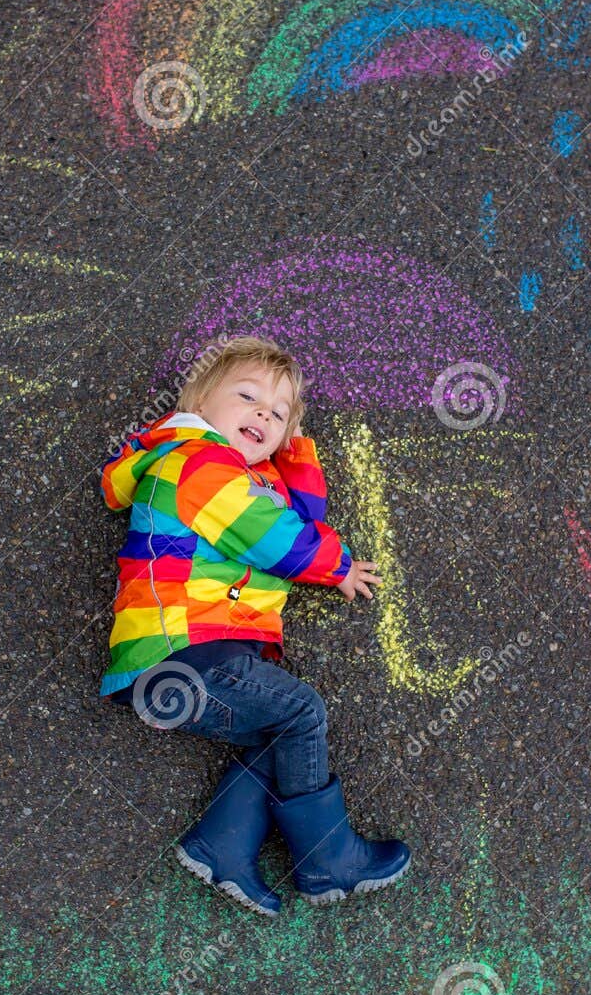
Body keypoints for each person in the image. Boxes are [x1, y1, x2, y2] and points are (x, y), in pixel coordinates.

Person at [98, 335, 409, 915]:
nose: (263, 413)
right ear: (198, 402)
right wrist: (336, 567)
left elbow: (291, 516)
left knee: (282, 732)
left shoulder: (237, 475)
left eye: (280, 412)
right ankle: (327, 859)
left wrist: (290, 460)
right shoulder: (197, 462)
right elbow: (275, 538)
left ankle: (221, 847)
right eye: (247, 396)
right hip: (183, 652)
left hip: (177, 667)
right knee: (300, 713)